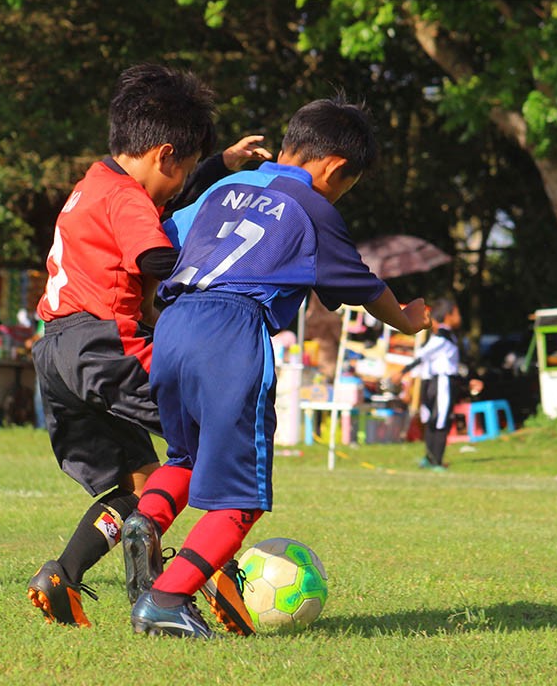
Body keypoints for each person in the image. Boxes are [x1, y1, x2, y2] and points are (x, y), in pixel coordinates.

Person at [120, 96, 431, 638]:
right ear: (335, 169)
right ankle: (166, 600)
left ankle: (146, 520)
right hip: (232, 331)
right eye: (345, 185)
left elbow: (163, 240)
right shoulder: (314, 207)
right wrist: (405, 320)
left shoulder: (220, 189)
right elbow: (363, 284)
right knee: (243, 498)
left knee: (186, 457)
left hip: (173, 324)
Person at [25, 63, 271, 629]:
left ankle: (62, 574)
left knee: (142, 482)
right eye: (183, 171)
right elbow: (159, 263)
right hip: (107, 345)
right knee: (218, 443)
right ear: (163, 155)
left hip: (58, 354)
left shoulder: (94, 183)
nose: (180, 188)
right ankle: (202, 591)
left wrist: (219, 165)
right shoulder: (130, 199)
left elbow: (150, 215)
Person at [405, 298, 482, 472]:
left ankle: (430, 457)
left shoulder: (446, 336)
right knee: (440, 420)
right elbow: (423, 355)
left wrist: (467, 381)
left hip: (436, 382)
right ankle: (436, 461)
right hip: (441, 382)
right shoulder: (443, 336)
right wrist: (403, 371)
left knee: (434, 420)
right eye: (457, 313)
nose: (459, 317)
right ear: (448, 315)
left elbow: (452, 364)